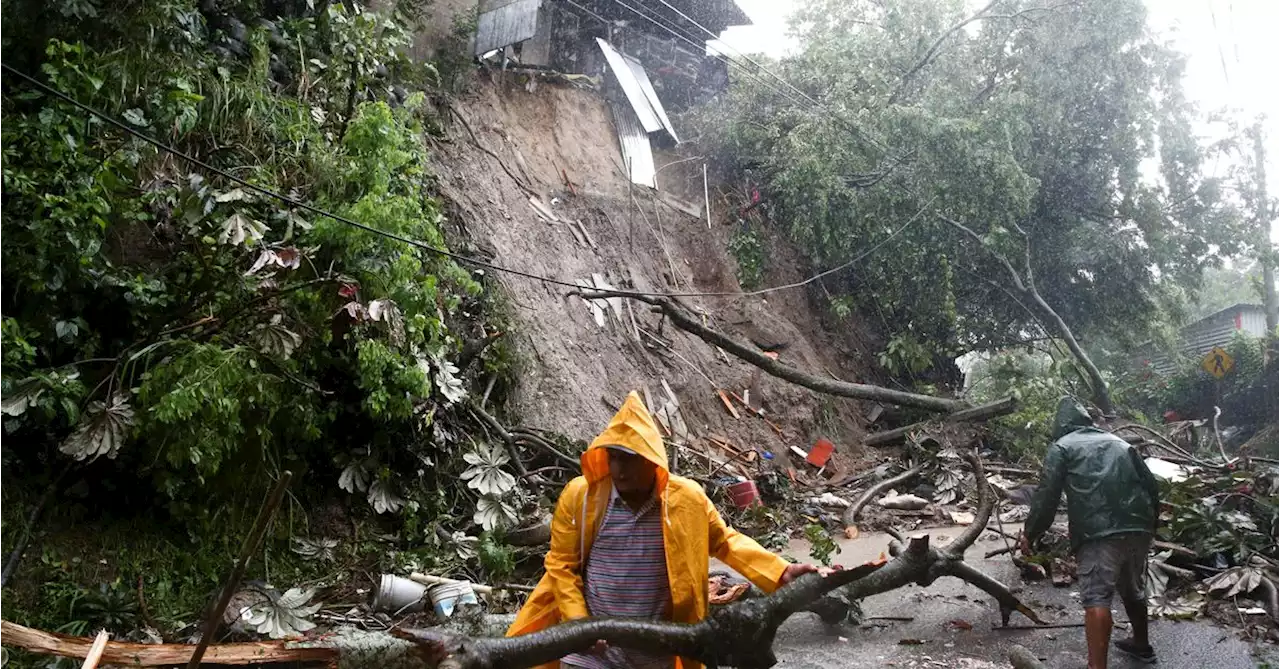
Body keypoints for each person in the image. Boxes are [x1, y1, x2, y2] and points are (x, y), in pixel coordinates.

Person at [507, 391, 825, 669]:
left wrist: (780, 572)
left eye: (629, 459)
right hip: (590, 652)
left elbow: (725, 541)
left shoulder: (686, 500)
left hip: (656, 650)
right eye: (613, 458)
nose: (618, 469)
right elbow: (561, 566)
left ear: (652, 459)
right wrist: (579, 624)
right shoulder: (582, 496)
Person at [1022, 397, 1162, 668]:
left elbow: (1046, 496)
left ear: (1060, 426)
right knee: (1133, 588)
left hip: (1098, 532)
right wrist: (1151, 523)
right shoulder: (1120, 443)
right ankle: (1141, 645)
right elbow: (1150, 485)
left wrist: (1031, 533)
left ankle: (1096, 666)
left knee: (1097, 595)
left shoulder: (1061, 447)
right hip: (1139, 525)